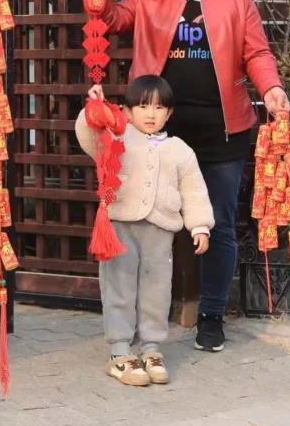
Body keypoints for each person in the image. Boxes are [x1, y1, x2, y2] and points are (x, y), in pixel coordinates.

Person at [85, 0, 290, 352]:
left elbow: (257, 52)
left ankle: (211, 316)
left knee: (216, 224)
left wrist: (271, 88)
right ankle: (141, 324)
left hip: (222, 129)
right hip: (158, 131)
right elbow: (107, 18)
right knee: (145, 223)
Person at [75, 75, 215, 385]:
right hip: (120, 228)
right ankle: (120, 351)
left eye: (159, 107)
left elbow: (193, 190)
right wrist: (92, 108)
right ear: (126, 111)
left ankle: (151, 348)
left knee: (157, 291)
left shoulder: (180, 150)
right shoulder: (116, 137)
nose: (151, 114)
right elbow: (87, 135)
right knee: (119, 288)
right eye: (142, 106)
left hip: (160, 232)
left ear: (170, 113)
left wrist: (200, 225)